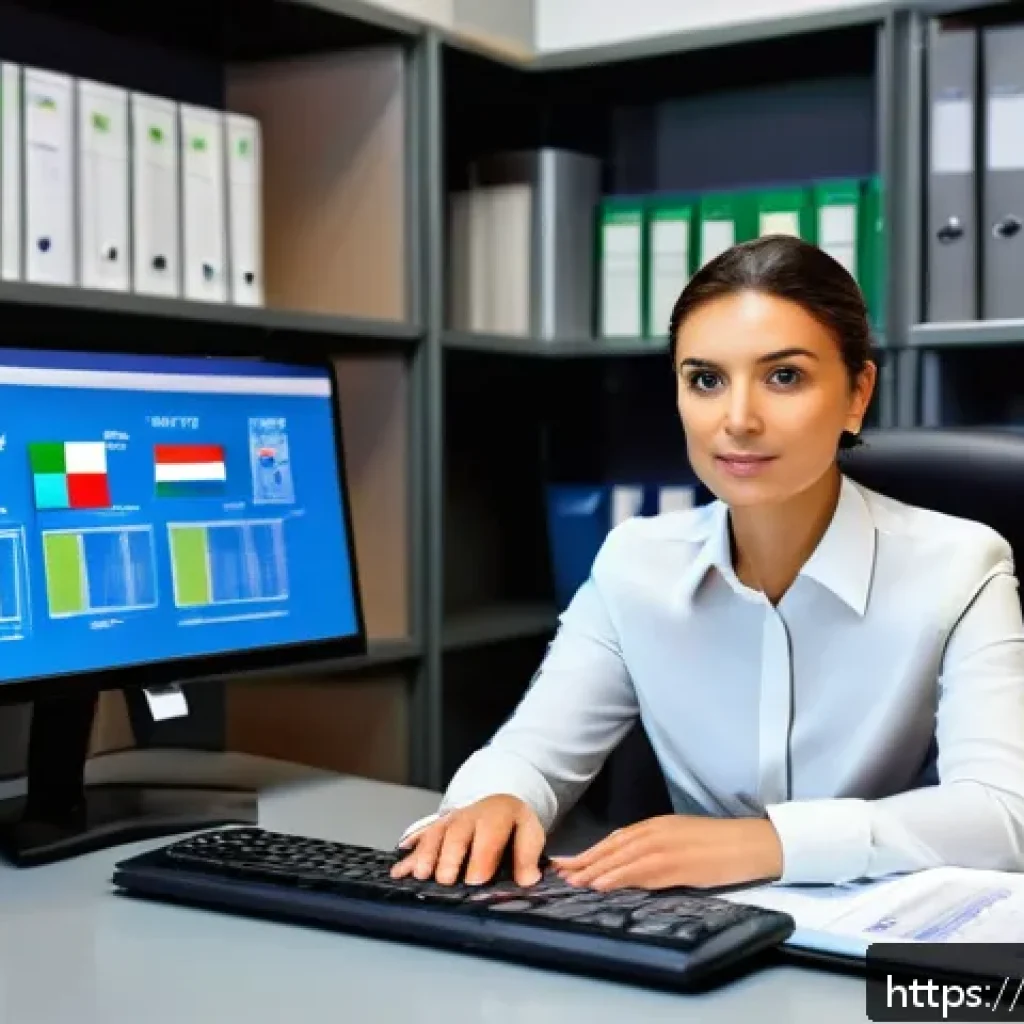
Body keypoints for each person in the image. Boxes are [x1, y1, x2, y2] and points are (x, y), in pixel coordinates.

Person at [392, 234, 1024, 892]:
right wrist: (495, 800)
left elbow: (1004, 814)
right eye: (706, 380)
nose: (738, 419)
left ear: (857, 393)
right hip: (695, 944)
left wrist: (770, 843)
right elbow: (531, 753)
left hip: (882, 947)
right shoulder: (636, 563)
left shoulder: (960, 567)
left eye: (785, 376)